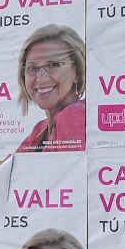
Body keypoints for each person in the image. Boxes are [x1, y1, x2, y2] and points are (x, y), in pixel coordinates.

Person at [15, 24, 84, 153]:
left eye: (53, 65)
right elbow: (10, 165)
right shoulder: (39, 129)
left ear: (78, 73)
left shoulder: (74, 115)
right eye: (32, 68)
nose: (41, 79)